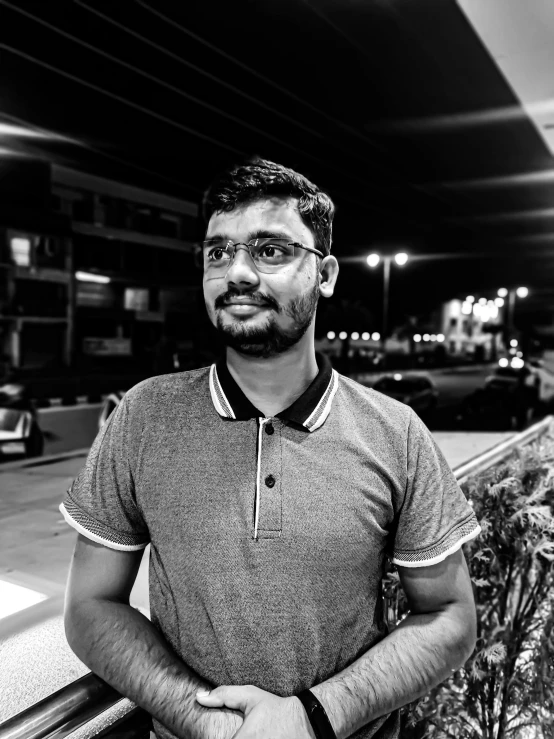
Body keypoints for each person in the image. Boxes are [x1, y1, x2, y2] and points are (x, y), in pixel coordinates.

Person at [61, 158, 480, 739]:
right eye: (218, 252)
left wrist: (313, 718)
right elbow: (89, 609)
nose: (236, 273)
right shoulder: (144, 416)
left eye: (270, 251)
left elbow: (451, 617)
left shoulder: (396, 432)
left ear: (326, 274)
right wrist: (206, 723)